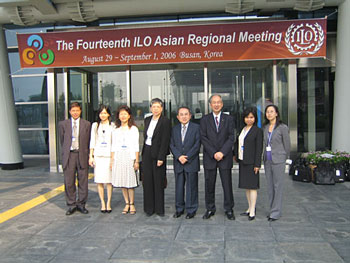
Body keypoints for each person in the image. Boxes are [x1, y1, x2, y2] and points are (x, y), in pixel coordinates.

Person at [200, 94, 235, 220]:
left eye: (218, 102)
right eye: (214, 102)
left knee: (227, 185)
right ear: (210, 105)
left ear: (222, 104)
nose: (216, 104)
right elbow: (203, 137)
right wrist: (214, 152)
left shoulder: (229, 119)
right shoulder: (204, 119)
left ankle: (229, 209)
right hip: (210, 157)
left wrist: (222, 152)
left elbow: (231, 137)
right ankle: (210, 208)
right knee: (209, 184)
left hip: (225, 157)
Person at [59, 102, 91, 215]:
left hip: (82, 154)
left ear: (80, 111)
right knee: (69, 182)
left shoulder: (86, 124)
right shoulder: (63, 124)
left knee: (83, 181)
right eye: (73, 111)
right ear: (69, 112)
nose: (75, 113)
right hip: (69, 155)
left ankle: (81, 204)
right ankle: (71, 204)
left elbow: (88, 141)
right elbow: (63, 141)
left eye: (77, 110)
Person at [141, 98, 171, 217]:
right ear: (150, 108)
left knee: (158, 181)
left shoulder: (165, 121)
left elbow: (165, 140)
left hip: (158, 153)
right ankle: (149, 208)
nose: (155, 109)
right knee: (147, 181)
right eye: (153, 107)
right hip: (147, 152)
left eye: (158, 107)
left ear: (162, 108)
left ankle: (159, 209)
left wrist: (161, 157)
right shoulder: (147, 119)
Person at [170, 107, 201, 219]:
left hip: (191, 162)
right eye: (181, 114)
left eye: (186, 114)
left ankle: (191, 209)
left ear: (190, 116)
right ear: (178, 117)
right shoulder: (174, 129)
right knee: (179, 187)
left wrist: (187, 157)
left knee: (191, 187)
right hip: (178, 162)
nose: (184, 116)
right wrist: (179, 156)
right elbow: (172, 145)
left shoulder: (196, 128)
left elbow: (197, 145)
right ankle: (179, 209)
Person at [234, 107, 263, 221]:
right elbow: (238, 143)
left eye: (251, 117)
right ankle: (249, 207)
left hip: (252, 162)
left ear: (255, 118)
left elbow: (259, 149)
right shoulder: (243, 129)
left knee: (253, 187)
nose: (249, 119)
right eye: (247, 117)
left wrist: (257, 164)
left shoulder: (257, 131)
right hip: (243, 161)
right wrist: (235, 155)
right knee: (246, 186)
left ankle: (252, 210)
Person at [263, 104, 291, 222]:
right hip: (267, 160)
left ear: (276, 113)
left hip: (278, 160)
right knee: (270, 186)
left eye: (271, 111)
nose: (269, 114)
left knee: (277, 186)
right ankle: (272, 209)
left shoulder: (282, 127)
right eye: (267, 112)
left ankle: (276, 212)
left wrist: (285, 157)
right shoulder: (265, 127)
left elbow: (287, 145)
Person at [111, 105, 140, 215]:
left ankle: (132, 203)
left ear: (129, 116)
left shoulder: (133, 129)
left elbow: (136, 146)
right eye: (121, 114)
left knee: (130, 182)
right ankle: (126, 203)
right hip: (119, 157)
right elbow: (113, 146)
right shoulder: (115, 130)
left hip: (129, 157)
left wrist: (136, 161)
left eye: (125, 114)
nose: (123, 116)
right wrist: (112, 160)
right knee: (123, 181)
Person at [89, 105, 114, 213]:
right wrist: (91, 156)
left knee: (109, 181)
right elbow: (92, 141)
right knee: (99, 181)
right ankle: (102, 203)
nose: (103, 115)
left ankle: (108, 203)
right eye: (101, 113)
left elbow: (114, 142)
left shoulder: (112, 126)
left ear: (108, 114)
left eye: (105, 113)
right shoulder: (95, 125)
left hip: (109, 156)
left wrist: (113, 158)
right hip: (98, 156)